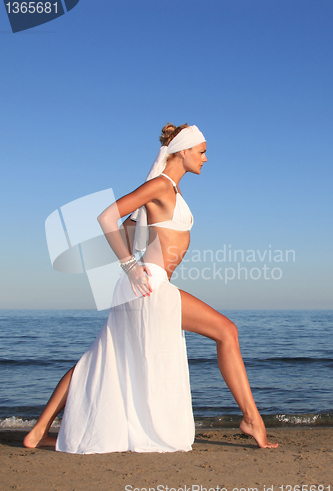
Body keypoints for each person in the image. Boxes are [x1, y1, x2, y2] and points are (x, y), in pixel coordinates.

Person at [24, 124, 278, 452]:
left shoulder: (169, 188)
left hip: (147, 285)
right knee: (227, 331)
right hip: (150, 284)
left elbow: (130, 230)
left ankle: (38, 431)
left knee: (96, 360)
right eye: (201, 151)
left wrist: (134, 242)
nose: (205, 158)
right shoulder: (160, 185)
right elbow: (106, 217)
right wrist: (129, 266)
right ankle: (252, 420)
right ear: (183, 151)